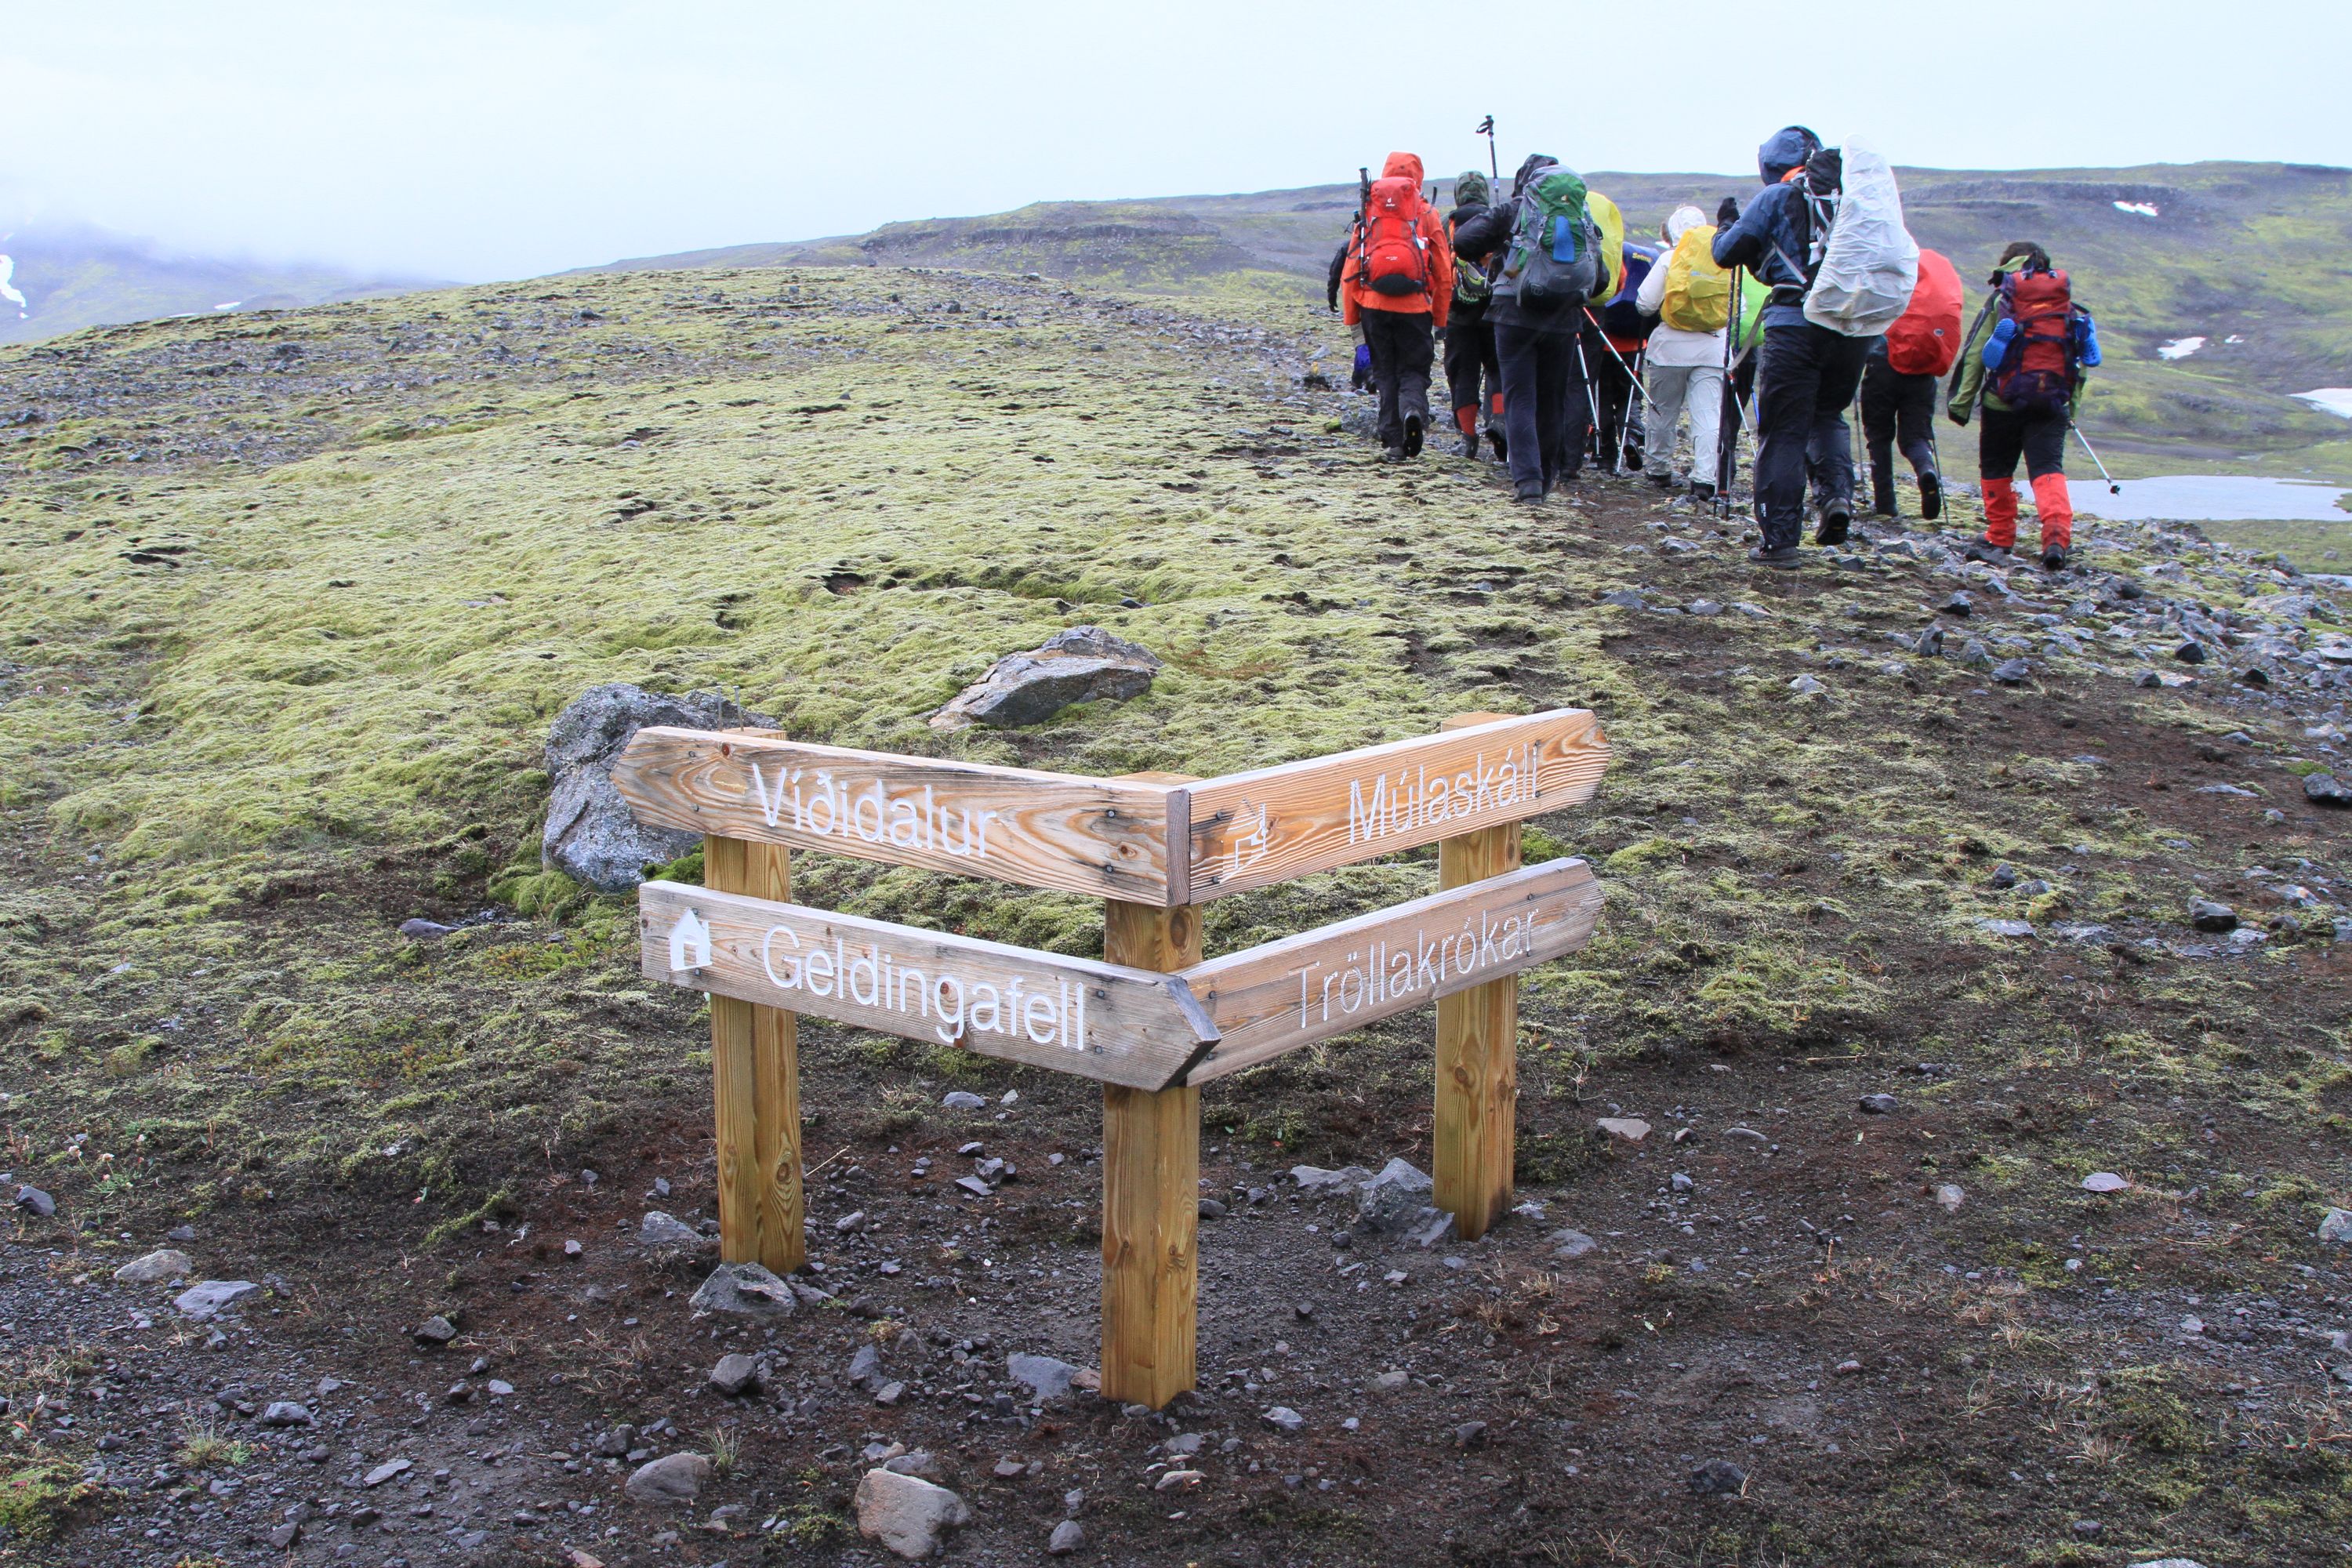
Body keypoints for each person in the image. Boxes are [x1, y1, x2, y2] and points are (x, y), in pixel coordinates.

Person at [1711, 126, 1872, 568]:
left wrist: (1726, 224)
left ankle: (1780, 542)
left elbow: (1727, 253)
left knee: (1784, 429)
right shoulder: (1855, 198)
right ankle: (1835, 496)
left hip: (1795, 324)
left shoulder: (1777, 197)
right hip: (1852, 326)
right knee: (1827, 413)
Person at [1947, 241, 2100, 571]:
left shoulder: (2002, 300)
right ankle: (2056, 538)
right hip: (2051, 402)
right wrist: (2069, 410)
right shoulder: (2064, 305)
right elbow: (2077, 364)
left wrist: (1961, 403)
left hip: (2002, 401)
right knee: (2048, 469)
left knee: (1997, 468)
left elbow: (1976, 353)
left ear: (2008, 265)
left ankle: (2000, 536)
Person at [1454, 154, 1594, 503]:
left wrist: (1499, 247)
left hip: (1514, 316)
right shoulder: (1580, 215)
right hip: (1563, 319)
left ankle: (1528, 483)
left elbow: (1464, 241)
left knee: (1519, 397)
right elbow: (1601, 276)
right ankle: (1546, 478)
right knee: (1552, 399)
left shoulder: (1515, 209)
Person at [1338, 151, 1454, 459]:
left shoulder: (1370, 210)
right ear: (1418, 178)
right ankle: (1412, 411)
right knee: (1413, 369)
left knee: (1385, 371)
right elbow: (1444, 270)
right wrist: (1440, 319)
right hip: (1416, 307)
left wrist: (1353, 317)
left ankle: (1393, 442)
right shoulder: (1426, 213)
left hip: (1374, 305)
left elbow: (1352, 268)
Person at [1635, 205, 1726, 499]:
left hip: (1669, 349)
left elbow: (1645, 304)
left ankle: (1658, 469)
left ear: (1673, 231)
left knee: (1663, 411)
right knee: (1707, 414)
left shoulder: (1668, 259)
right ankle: (1705, 479)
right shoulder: (1721, 259)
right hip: (1712, 348)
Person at [1442, 170, 1505, 459]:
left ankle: (1468, 439)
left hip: (1459, 315)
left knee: (1462, 375)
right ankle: (1500, 424)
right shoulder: (1498, 220)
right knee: (1499, 369)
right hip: (1497, 311)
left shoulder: (1447, 224)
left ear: (1458, 195)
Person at [1860, 339, 1940, 519]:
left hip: (1881, 364)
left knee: (1878, 436)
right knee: (1915, 437)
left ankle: (1885, 504)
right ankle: (1926, 470)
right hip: (1922, 368)